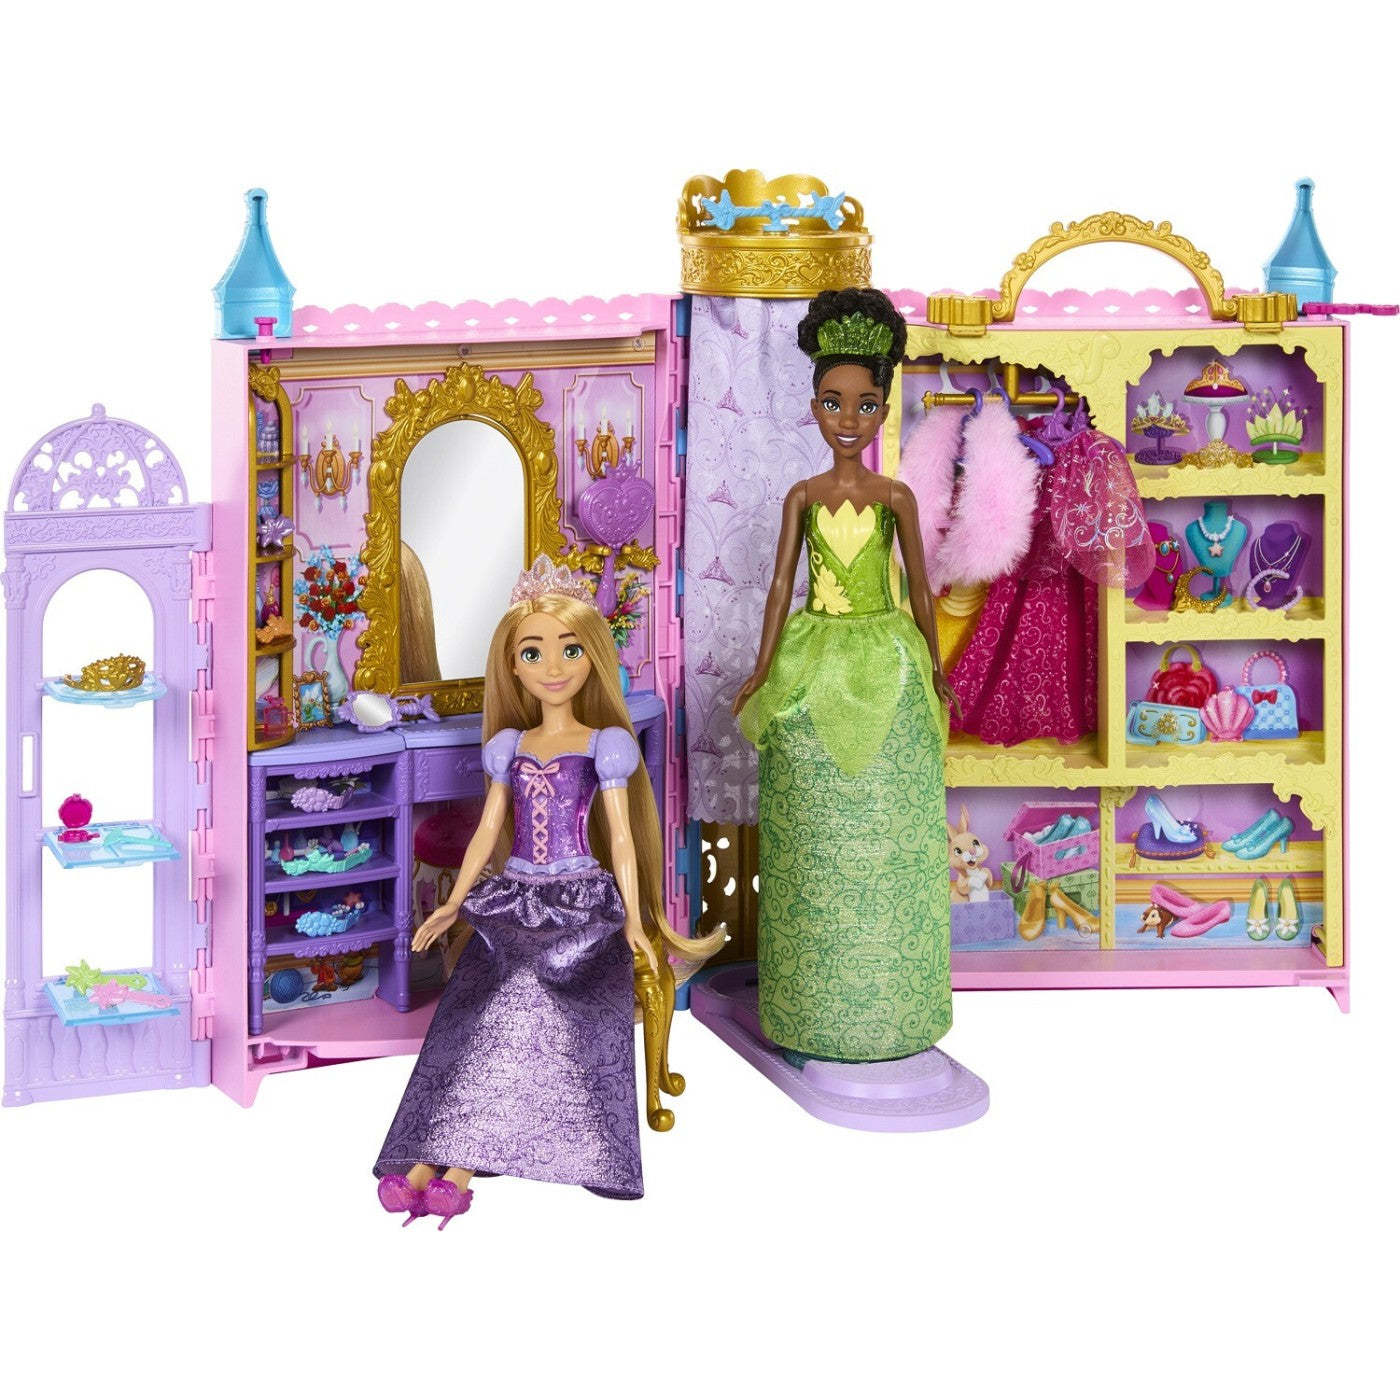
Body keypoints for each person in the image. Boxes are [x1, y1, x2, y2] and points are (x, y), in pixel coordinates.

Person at [374, 558, 715, 1225]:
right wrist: (453, 903)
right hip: (515, 895)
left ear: (593, 657)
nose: (552, 667)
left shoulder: (604, 744)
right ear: (514, 665)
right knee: (473, 1003)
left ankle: (458, 1166)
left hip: (578, 903)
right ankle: (426, 1159)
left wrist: (637, 919)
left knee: (523, 986)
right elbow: (487, 831)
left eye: (569, 650)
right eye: (533, 653)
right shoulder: (509, 744)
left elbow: (622, 839)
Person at [732, 287, 955, 1062]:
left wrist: (934, 666)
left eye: (863, 405)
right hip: (815, 650)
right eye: (833, 403)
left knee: (892, 826)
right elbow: (781, 586)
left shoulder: (895, 496)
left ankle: (895, 999)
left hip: (887, 652)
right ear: (814, 409)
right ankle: (810, 1004)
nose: (848, 419)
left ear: (884, 409)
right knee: (812, 830)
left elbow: (919, 586)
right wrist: (763, 667)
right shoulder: (804, 496)